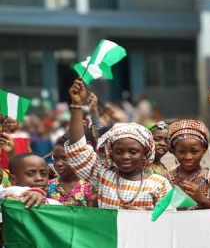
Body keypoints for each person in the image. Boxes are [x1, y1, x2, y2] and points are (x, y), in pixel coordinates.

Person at [64, 79, 171, 210]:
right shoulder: (104, 175)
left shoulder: (160, 184)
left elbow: (169, 222)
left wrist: (142, 216)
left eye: (133, 152)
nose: (125, 156)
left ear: (145, 154)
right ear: (111, 153)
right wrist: (76, 104)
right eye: (119, 152)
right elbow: (77, 150)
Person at [168, 119, 210, 209]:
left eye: (194, 151)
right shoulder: (167, 179)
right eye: (181, 152)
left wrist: (202, 198)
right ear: (173, 151)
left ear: (204, 150)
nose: (188, 157)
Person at [47, 136, 92, 206]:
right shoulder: (48, 187)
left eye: (65, 158)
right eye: (55, 158)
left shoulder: (90, 187)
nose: (58, 164)